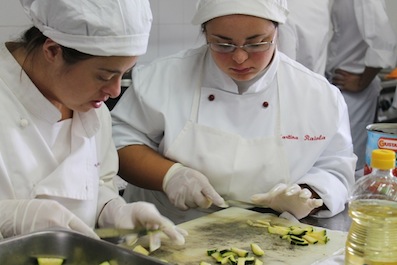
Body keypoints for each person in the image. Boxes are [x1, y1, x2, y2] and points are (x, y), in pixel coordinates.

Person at [111, 0, 357, 224]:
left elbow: (336, 168)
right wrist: (170, 176)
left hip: (271, 234)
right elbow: (120, 142)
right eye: (223, 44)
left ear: (277, 32)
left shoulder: (317, 96)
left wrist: (305, 196)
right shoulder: (164, 77)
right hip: (169, 227)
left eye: (256, 42)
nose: (239, 57)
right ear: (205, 34)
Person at [0, 0, 186, 245]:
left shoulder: (92, 110)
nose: (115, 90)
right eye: (105, 76)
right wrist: (12, 217)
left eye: (124, 73)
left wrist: (112, 210)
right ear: (53, 51)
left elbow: (96, 186)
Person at [325, 0, 397, 175]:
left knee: (348, 163)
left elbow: (384, 42)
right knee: (329, 162)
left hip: (353, 93)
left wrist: (362, 80)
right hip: (330, 88)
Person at [277, 0, 332, 75]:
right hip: (316, 79)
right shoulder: (319, 3)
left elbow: (284, 72)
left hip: (292, 80)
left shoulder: (282, 13)